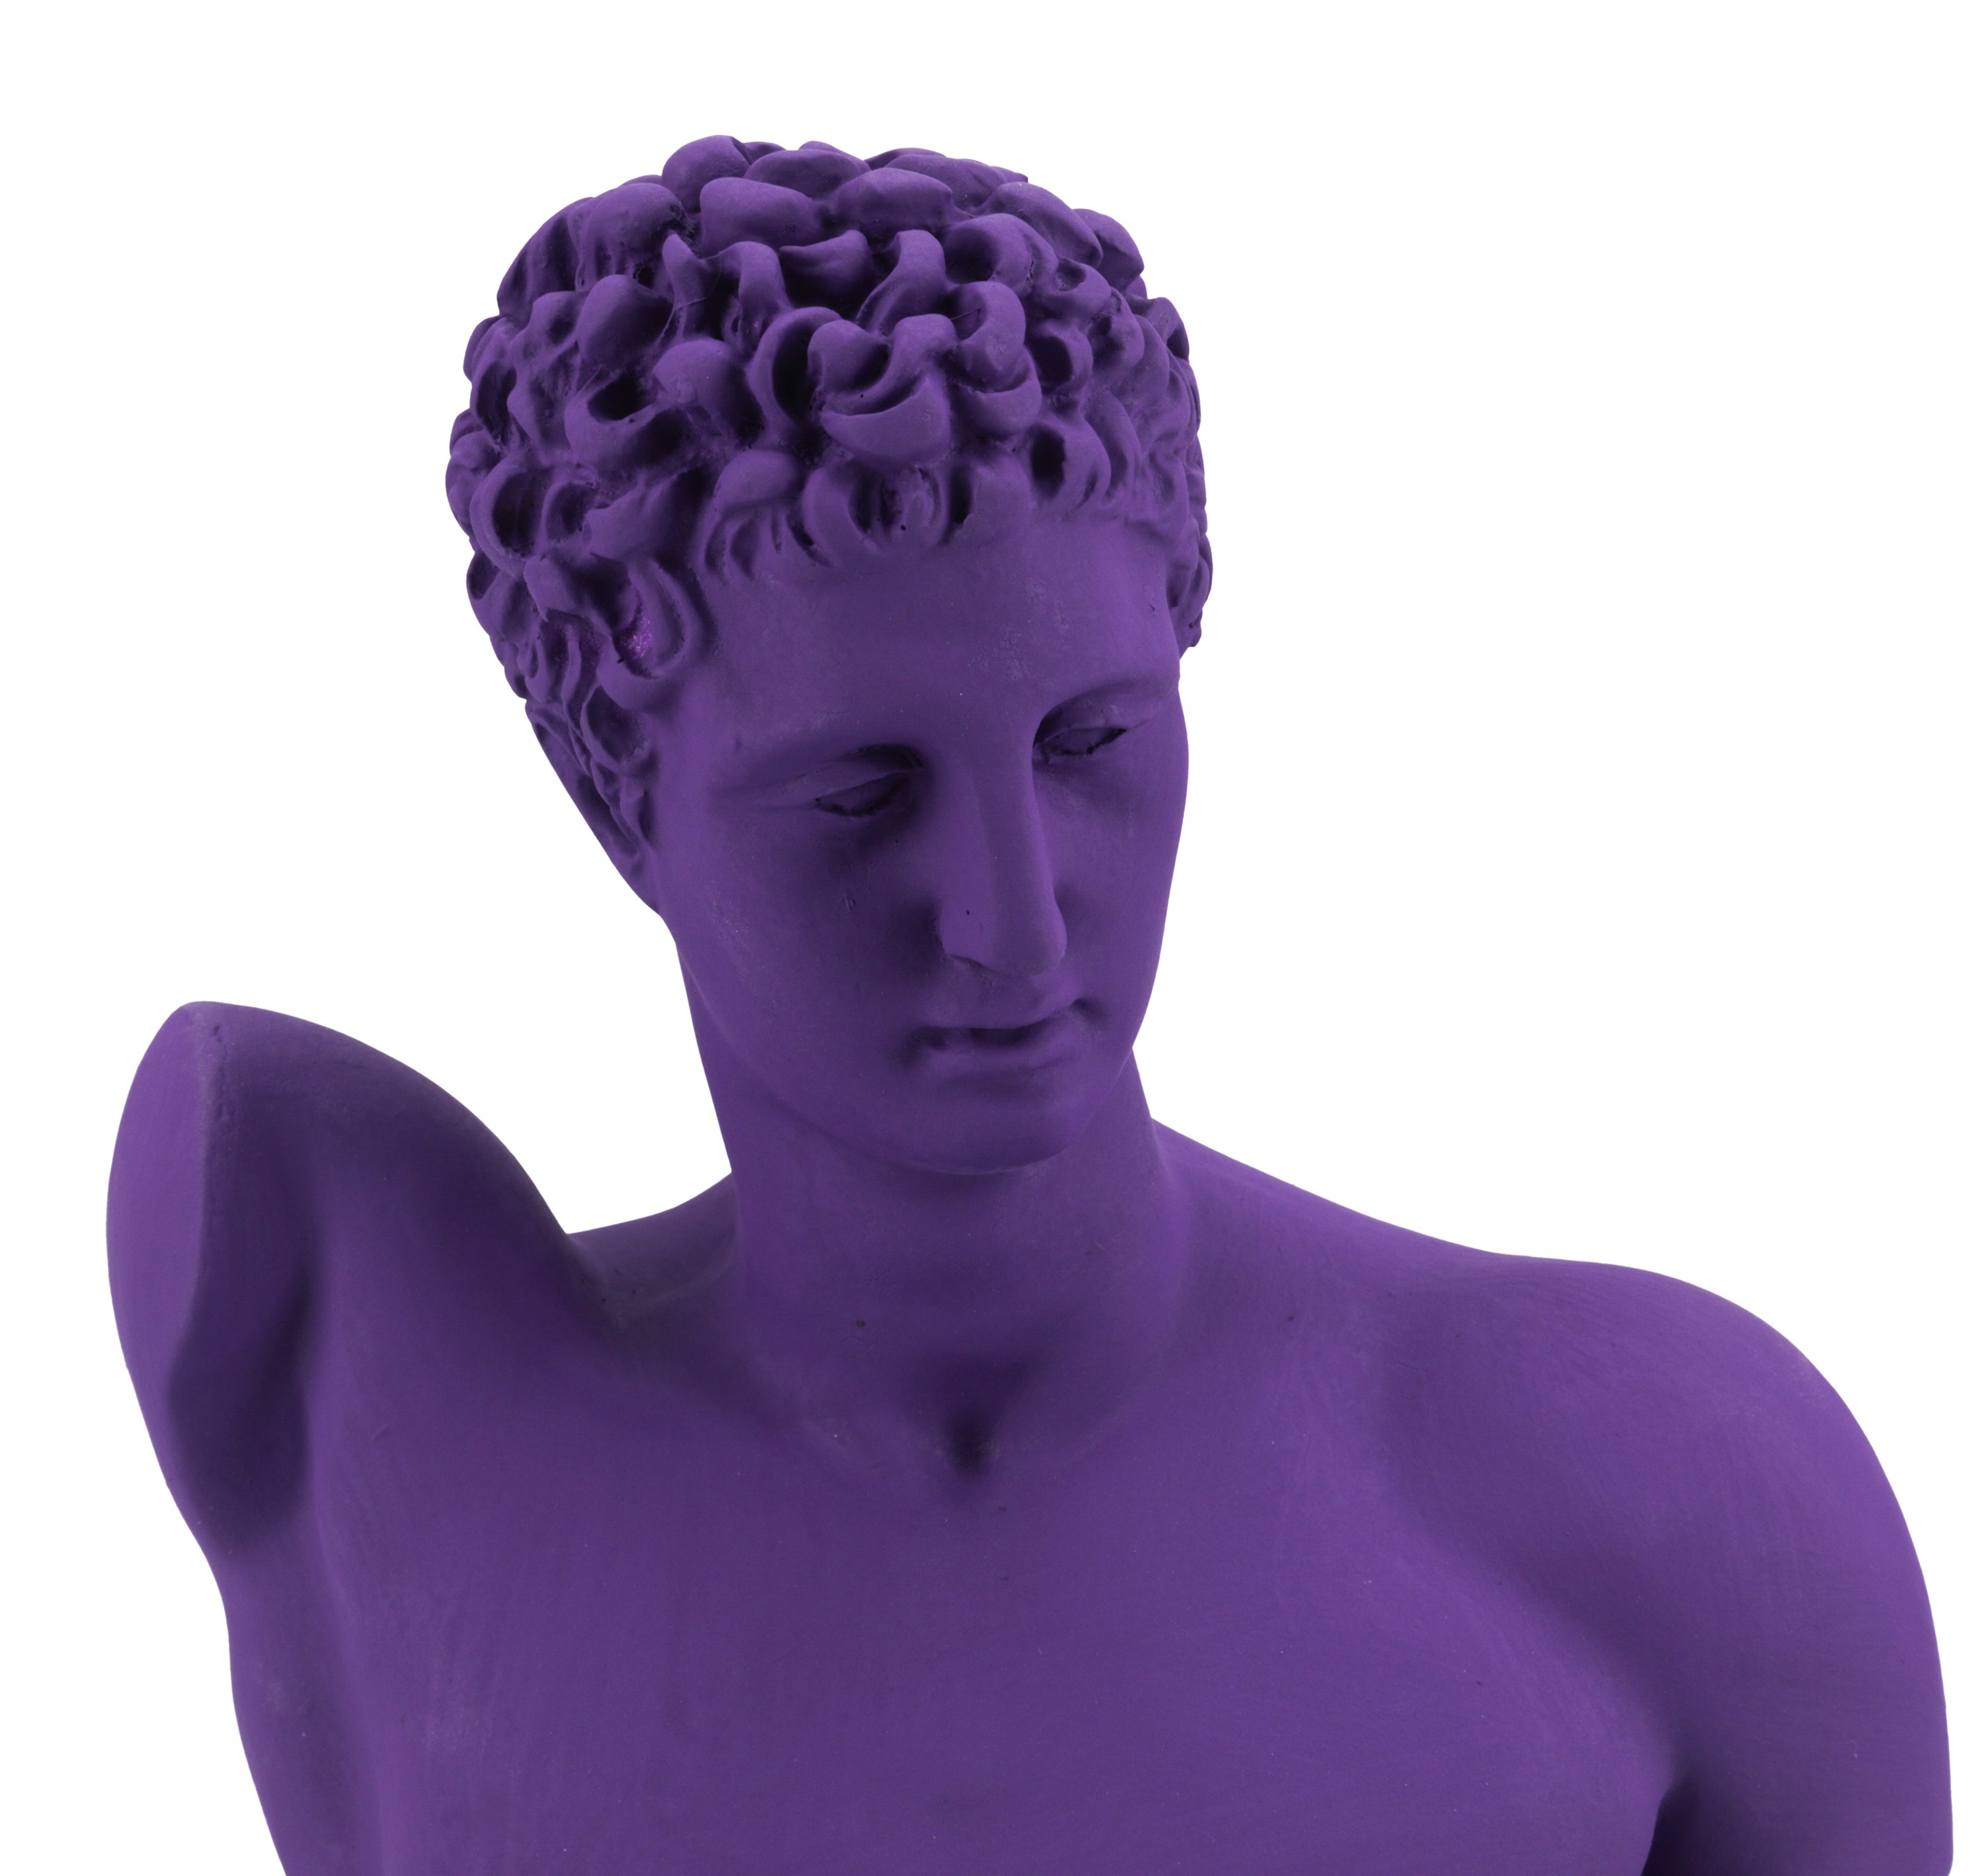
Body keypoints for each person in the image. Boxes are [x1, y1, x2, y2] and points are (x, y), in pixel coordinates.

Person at [111, 136, 1951, 1874]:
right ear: (616, 796)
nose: (1013, 922)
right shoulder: (374, 1376)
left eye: (1092, 744)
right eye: (859, 795)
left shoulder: (1672, 1500)